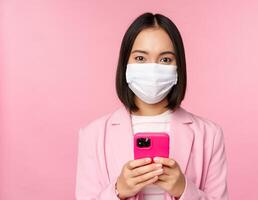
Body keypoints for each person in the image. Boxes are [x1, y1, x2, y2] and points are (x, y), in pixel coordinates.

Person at [75, 12, 229, 200]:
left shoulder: (209, 135)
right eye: (140, 58)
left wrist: (184, 190)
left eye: (165, 59)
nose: (153, 69)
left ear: (178, 67)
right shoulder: (93, 135)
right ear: (125, 64)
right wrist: (118, 191)